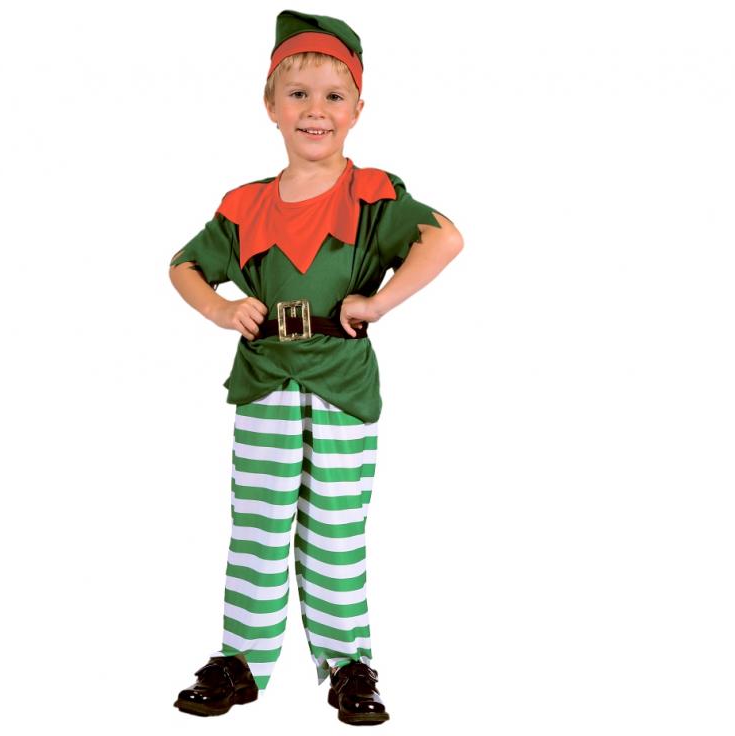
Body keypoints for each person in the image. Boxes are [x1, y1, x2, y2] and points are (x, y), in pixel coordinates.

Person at [169, 9, 463, 726]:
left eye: (334, 96)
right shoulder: (244, 206)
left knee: (334, 524)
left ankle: (349, 662)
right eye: (297, 94)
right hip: (265, 377)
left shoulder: (374, 197)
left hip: (341, 384)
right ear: (270, 105)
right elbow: (184, 266)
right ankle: (240, 659)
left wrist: (380, 301)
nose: (315, 110)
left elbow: (445, 238)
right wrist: (220, 310)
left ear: (357, 109)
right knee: (260, 523)